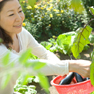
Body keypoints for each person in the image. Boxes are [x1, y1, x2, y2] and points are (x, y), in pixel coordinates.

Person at [0, 0, 91, 94]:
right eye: (11, 14)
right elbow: (26, 65)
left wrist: (64, 73)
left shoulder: (21, 34)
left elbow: (43, 54)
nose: (19, 18)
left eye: (19, 11)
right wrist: (71, 66)